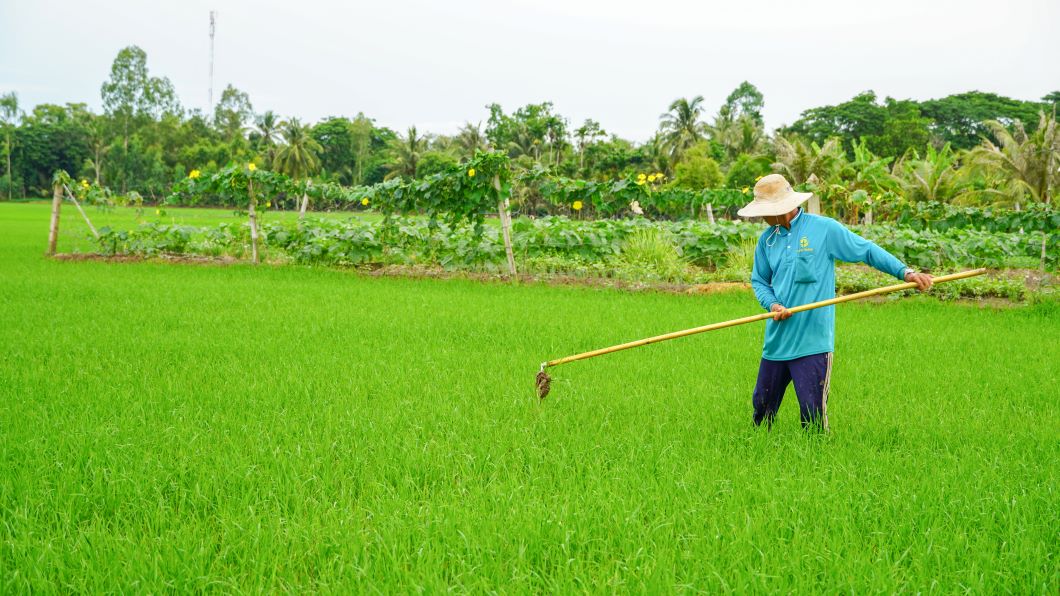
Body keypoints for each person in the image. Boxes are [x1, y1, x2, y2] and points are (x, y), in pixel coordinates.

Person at [737, 174, 933, 430]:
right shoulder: (768, 240)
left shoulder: (824, 230)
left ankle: (815, 460)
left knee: (812, 414)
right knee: (761, 408)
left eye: (765, 211)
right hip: (777, 340)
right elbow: (760, 282)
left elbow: (866, 250)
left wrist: (905, 272)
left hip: (812, 341)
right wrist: (772, 305)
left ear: (781, 208)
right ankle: (757, 451)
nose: (761, 217)